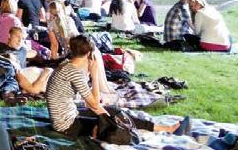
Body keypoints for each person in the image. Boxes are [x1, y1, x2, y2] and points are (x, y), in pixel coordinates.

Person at [43, 36, 177, 138]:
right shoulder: (73, 73)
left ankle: (159, 127)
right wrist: (94, 74)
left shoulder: (66, 65)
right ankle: (163, 129)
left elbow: (91, 103)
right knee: (116, 120)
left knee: (114, 111)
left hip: (66, 116)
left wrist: (105, 112)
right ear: (89, 54)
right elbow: (94, 104)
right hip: (67, 125)